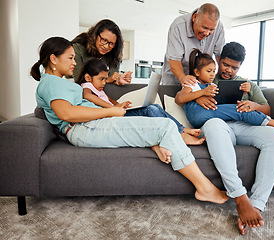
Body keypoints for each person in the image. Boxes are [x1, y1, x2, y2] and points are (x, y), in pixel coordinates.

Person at [30, 36, 229, 207]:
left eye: (74, 57)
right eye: (70, 58)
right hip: (86, 128)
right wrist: (109, 113)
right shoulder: (51, 83)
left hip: (90, 126)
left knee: (158, 124)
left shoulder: (58, 82)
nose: (75, 62)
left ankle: (156, 144)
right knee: (167, 126)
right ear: (53, 59)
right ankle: (204, 188)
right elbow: (67, 114)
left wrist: (111, 99)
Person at [190, 42, 274, 234]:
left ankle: (256, 204)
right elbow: (186, 96)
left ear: (240, 66)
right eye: (225, 64)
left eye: (234, 67)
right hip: (218, 126)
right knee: (213, 125)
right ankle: (239, 197)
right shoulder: (205, 78)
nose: (228, 70)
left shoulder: (248, 85)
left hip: (244, 127)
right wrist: (198, 95)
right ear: (219, 60)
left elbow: (267, 109)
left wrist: (253, 105)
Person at [75, 58, 205, 145]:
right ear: (88, 77)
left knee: (155, 107)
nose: (104, 82)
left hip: (117, 113)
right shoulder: (87, 86)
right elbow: (88, 96)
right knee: (151, 110)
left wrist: (119, 105)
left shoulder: (99, 89)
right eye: (101, 79)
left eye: (105, 79)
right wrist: (111, 109)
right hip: (113, 118)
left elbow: (111, 101)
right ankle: (181, 134)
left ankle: (181, 129)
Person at [175, 49, 274, 136]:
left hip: (208, 115)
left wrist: (242, 93)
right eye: (209, 71)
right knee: (241, 111)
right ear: (197, 72)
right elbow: (179, 99)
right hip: (198, 115)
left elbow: (220, 104)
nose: (212, 74)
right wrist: (202, 93)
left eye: (213, 71)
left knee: (239, 109)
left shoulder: (210, 84)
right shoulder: (192, 82)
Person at [161, 3, 225, 86]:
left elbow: (219, 57)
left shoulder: (219, 28)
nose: (207, 33)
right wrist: (183, 78)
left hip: (199, 82)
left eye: (211, 30)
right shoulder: (178, 26)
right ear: (195, 17)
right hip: (175, 79)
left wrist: (223, 81)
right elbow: (174, 60)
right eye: (204, 27)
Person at [71, 19, 132, 85]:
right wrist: (107, 80)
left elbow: (113, 77)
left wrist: (118, 80)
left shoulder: (113, 54)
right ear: (95, 35)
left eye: (111, 43)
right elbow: (79, 80)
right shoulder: (77, 48)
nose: (106, 46)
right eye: (104, 40)